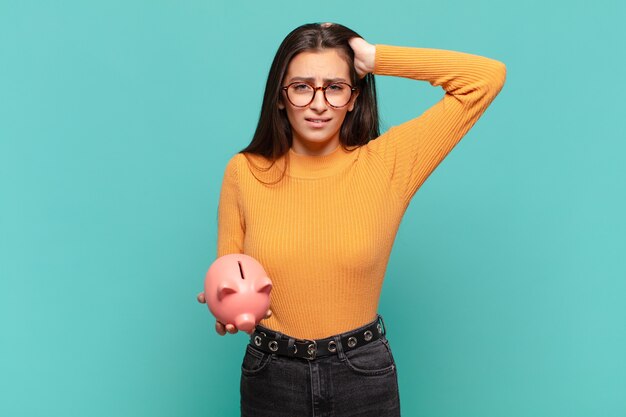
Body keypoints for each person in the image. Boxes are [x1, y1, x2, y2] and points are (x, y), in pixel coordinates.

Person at [197, 22, 506, 417]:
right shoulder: (244, 172)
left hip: (361, 374)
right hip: (272, 374)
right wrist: (224, 309)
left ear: (354, 97)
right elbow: (230, 271)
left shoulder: (388, 164)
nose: (319, 103)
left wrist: (376, 58)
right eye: (302, 86)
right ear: (280, 97)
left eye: (335, 87)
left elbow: (484, 78)